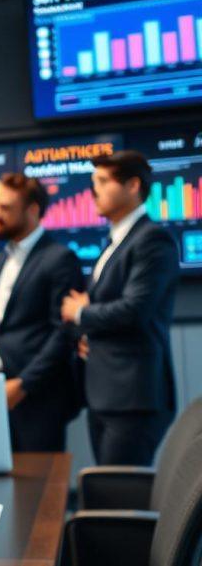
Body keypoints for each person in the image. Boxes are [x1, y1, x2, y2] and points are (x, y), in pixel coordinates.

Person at [61, 151, 179, 466]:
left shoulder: (152, 239)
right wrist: (87, 329)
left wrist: (81, 314)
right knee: (108, 493)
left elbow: (134, 310)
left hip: (133, 398)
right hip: (106, 393)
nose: (93, 191)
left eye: (102, 181)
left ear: (132, 186)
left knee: (119, 499)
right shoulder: (115, 242)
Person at [0, 172, 83, 452]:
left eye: (6, 208)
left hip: (37, 394)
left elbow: (63, 332)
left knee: (38, 488)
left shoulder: (59, 259)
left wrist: (24, 384)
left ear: (32, 210)